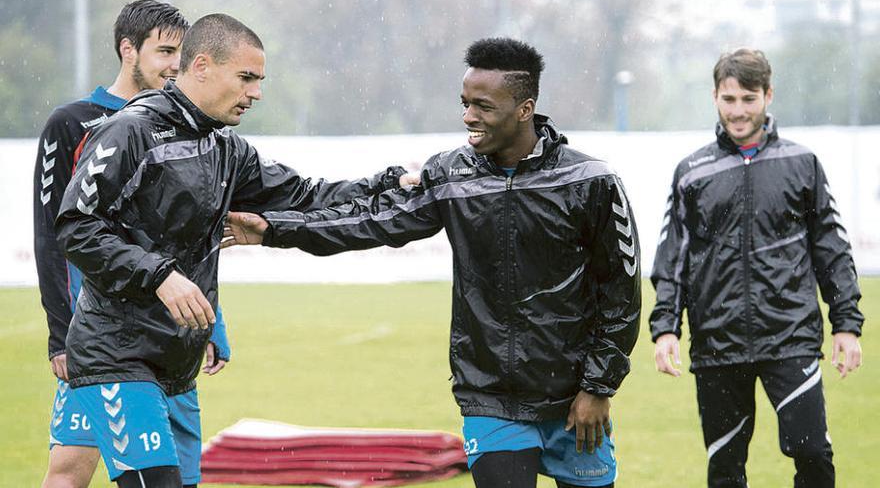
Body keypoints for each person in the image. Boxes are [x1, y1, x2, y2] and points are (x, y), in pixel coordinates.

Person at [223, 37, 641, 488]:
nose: (468, 118)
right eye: (464, 103)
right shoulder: (450, 174)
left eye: (483, 106)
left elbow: (621, 291)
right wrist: (277, 230)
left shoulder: (590, 181)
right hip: (489, 398)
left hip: (574, 398)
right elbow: (371, 221)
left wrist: (598, 388)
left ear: (525, 109)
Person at [55, 13, 415, 488]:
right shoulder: (129, 131)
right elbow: (76, 226)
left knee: (70, 476)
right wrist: (160, 274)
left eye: (260, 80)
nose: (256, 93)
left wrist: (387, 184)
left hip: (176, 364)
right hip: (116, 355)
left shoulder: (228, 148)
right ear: (201, 66)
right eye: (246, 78)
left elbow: (304, 195)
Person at [33, 0, 232, 488]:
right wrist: (61, 334)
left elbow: (195, 239)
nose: (174, 65)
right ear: (128, 50)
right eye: (165, 51)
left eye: (182, 54)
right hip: (103, 338)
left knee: (180, 477)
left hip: (173, 333)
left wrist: (213, 322)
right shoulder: (74, 124)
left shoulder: (193, 126)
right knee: (69, 468)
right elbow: (54, 234)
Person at [649, 48, 864, 488]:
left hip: (790, 336)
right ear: (715, 98)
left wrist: (847, 324)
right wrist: (666, 327)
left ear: (768, 95)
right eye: (729, 100)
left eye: (749, 98)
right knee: (726, 471)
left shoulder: (801, 163)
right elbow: (674, 255)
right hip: (718, 342)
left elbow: (831, 248)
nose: (739, 110)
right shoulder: (692, 172)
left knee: (813, 454)